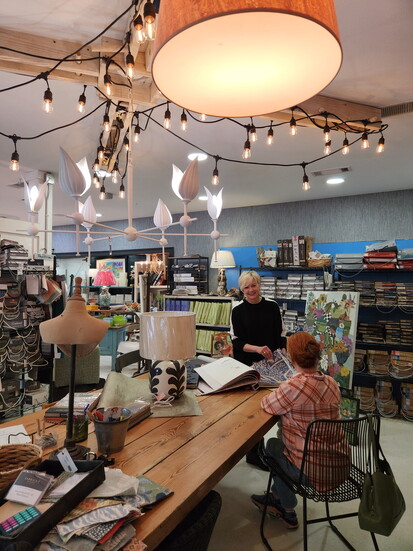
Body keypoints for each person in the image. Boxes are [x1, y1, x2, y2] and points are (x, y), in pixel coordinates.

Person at [251, 331, 343, 530]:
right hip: (339, 466)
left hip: (311, 473)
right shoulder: (332, 383)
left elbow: (267, 404)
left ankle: (287, 508)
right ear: (317, 356)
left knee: (273, 446)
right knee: (284, 449)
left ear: (290, 358)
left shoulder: (293, 386)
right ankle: (276, 496)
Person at [231, 270, 286, 468]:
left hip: (271, 366)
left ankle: (263, 449)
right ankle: (253, 453)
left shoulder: (272, 306)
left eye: (253, 285)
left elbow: (281, 335)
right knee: (251, 412)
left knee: (268, 410)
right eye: (246, 287)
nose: (251, 290)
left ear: (259, 285)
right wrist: (257, 349)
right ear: (242, 290)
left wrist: (282, 354)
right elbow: (236, 341)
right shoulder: (237, 310)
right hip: (248, 366)